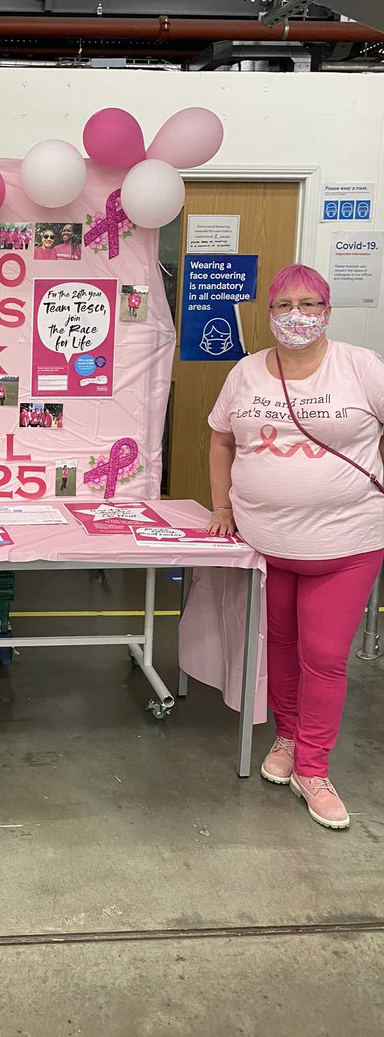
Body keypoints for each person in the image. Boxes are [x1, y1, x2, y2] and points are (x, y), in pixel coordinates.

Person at [207, 264, 384, 830]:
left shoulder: (361, 366)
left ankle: (314, 767)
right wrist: (222, 506)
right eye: (284, 305)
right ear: (269, 314)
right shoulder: (245, 372)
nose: (296, 315)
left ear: (327, 311)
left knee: (324, 658)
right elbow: (220, 438)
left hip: (346, 544)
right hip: (266, 545)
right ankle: (286, 738)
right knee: (280, 649)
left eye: (308, 304)